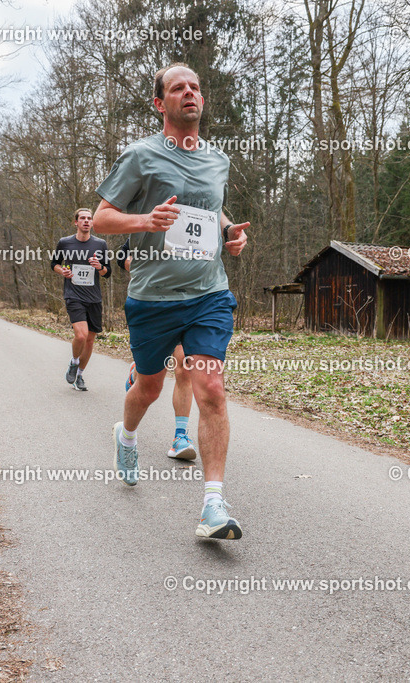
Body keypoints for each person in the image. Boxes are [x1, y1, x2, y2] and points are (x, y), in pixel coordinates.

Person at [94, 63, 250, 540]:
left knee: (212, 388)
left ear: (202, 99)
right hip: (153, 297)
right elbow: (102, 219)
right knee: (148, 388)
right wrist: (145, 222)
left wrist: (229, 232)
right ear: (160, 103)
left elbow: (212, 208)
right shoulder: (140, 156)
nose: (190, 93)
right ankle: (126, 435)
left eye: (195, 87)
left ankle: (213, 506)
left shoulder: (218, 159)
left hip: (208, 293)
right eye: (178, 87)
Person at [119, 237, 197, 460]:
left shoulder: (197, 224)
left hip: (190, 305)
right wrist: (146, 272)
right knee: (150, 380)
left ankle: (180, 437)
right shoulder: (154, 223)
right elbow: (122, 255)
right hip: (154, 306)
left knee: (185, 366)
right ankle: (138, 372)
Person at [50, 208, 112, 391]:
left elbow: (107, 272)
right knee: (81, 335)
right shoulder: (65, 243)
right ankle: (74, 362)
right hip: (74, 295)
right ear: (75, 222)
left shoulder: (100, 244)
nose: (86, 221)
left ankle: (79, 376)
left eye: (89, 218)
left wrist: (99, 266)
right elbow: (54, 264)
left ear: (92, 222)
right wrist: (63, 271)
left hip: (94, 297)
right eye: (82, 218)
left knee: (90, 340)